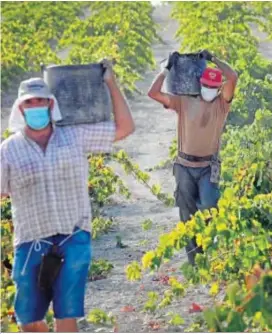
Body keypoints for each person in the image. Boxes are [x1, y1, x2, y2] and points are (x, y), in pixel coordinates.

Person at [0, 59, 135, 332]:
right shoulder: (8, 150)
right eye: (30, 102)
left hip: (74, 236)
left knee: (67, 316)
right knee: (30, 320)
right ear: (20, 108)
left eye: (41, 101)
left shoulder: (75, 136)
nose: (36, 107)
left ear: (51, 105)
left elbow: (125, 128)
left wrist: (111, 82)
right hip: (29, 241)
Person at [147, 49, 238, 266]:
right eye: (206, 85)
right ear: (200, 84)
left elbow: (233, 77)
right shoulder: (183, 102)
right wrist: (165, 69)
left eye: (213, 87)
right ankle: (194, 261)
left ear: (218, 88)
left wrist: (213, 58)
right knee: (187, 214)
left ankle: (209, 252)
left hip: (208, 166)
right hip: (184, 166)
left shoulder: (221, 105)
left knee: (209, 206)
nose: (209, 89)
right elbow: (153, 93)